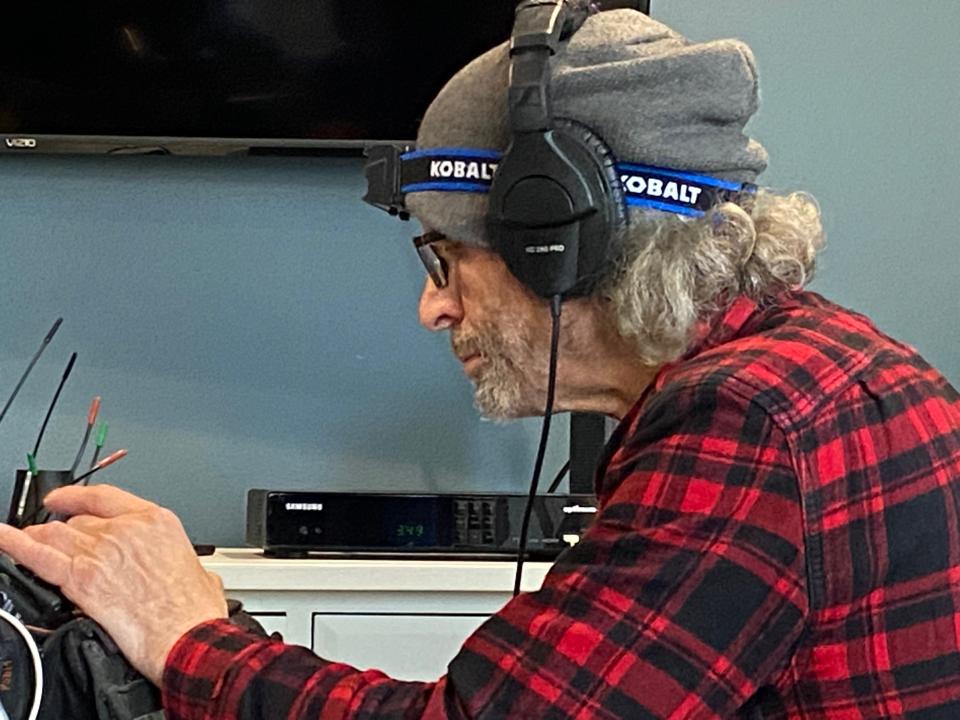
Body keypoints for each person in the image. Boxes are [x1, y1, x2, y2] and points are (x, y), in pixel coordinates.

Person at [2, 4, 960, 718]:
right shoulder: (840, 367)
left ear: (561, 243)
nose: (433, 307)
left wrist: (181, 638)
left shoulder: (746, 424)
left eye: (448, 258)